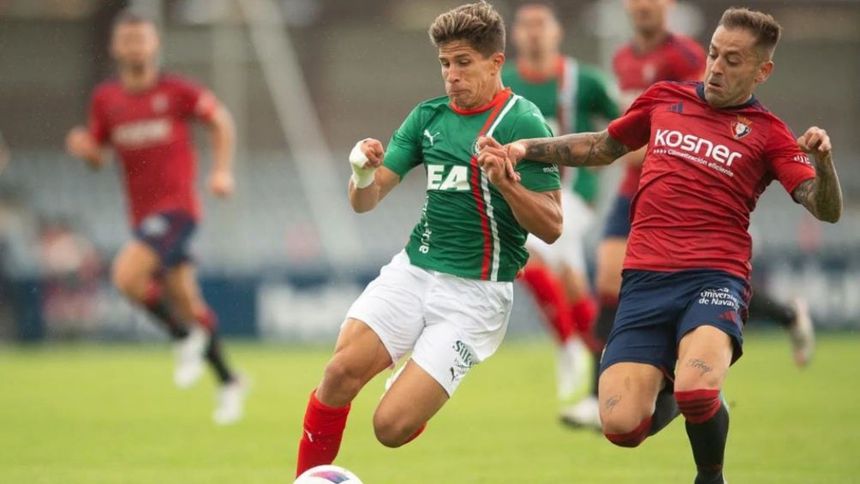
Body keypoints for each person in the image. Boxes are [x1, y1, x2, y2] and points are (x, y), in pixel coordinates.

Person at [478, 8, 842, 483]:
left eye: (733, 60)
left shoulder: (769, 133)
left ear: (762, 70)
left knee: (697, 390)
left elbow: (824, 208)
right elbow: (601, 146)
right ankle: (692, 394)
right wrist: (527, 148)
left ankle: (709, 470)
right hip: (645, 283)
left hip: (714, 278)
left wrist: (824, 164)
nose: (716, 67)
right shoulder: (666, 98)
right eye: (714, 54)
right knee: (621, 426)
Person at [295, 2, 562, 475]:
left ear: (495, 63)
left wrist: (507, 184)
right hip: (415, 271)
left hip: (475, 296)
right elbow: (365, 200)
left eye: (463, 63)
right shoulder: (427, 117)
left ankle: (415, 385)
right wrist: (361, 172)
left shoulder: (522, 122)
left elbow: (552, 226)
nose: (451, 76)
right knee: (337, 375)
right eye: (445, 63)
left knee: (390, 427)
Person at [65, 11, 246, 425]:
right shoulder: (106, 99)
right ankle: (228, 380)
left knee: (126, 277)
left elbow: (220, 120)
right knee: (186, 301)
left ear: (155, 44)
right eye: (127, 40)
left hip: (178, 209)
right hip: (142, 215)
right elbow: (98, 156)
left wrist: (222, 171)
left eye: (141, 40)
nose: (135, 48)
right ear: (116, 47)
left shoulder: (176, 91)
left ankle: (183, 338)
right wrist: (85, 149)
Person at [502, 1, 619, 412]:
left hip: (573, 192)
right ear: (516, 35)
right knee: (566, 279)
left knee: (527, 250)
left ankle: (568, 344)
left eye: (541, 25)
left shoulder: (582, 81)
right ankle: (599, 367)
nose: (534, 32)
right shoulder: (504, 82)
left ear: (557, 32)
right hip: (525, 192)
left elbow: (624, 124)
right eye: (526, 25)